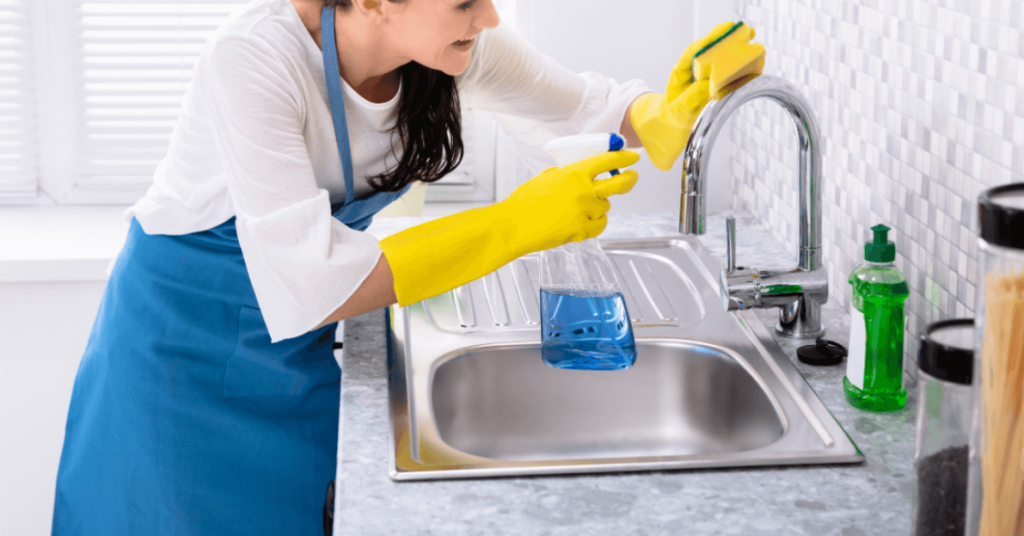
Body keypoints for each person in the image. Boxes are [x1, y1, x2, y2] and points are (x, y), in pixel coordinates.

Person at [50, 0, 758, 533]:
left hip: (288, 356)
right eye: (463, 2)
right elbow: (313, 281)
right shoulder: (255, 58)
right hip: (176, 363)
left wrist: (666, 110)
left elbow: (585, 108)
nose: (488, 15)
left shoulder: (448, 44)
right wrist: (513, 223)